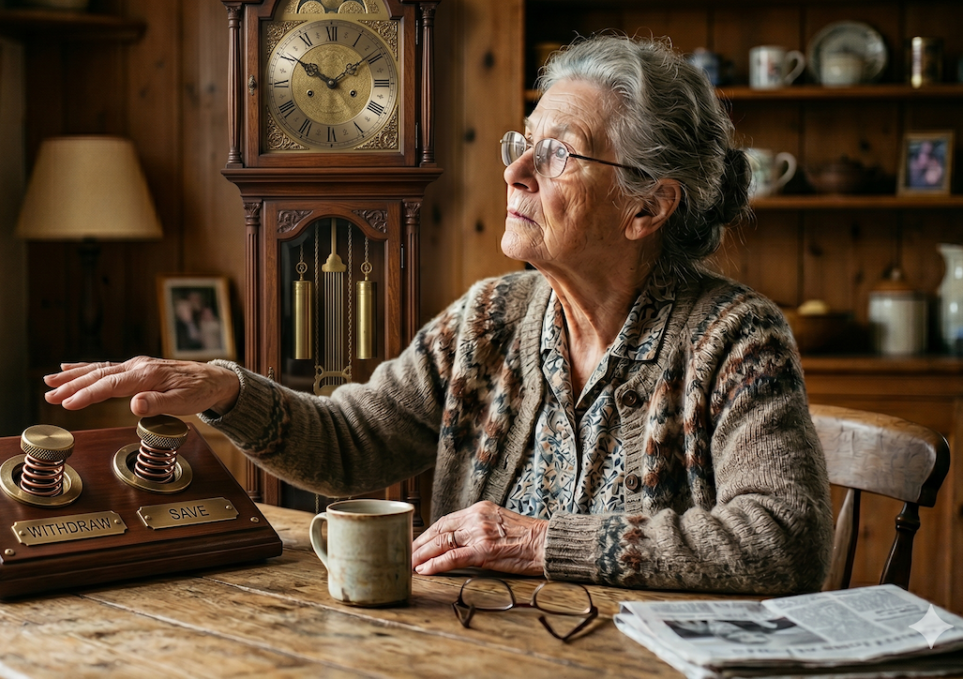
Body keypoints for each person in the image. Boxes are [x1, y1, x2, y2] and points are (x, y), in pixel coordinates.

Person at [44, 35, 833, 595]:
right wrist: (222, 389)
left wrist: (534, 542)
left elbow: (782, 542)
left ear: (647, 207)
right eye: (520, 143)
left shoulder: (734, 340)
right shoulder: (491, 318)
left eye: (557, 152)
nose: (516, 170)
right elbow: (353, 444)